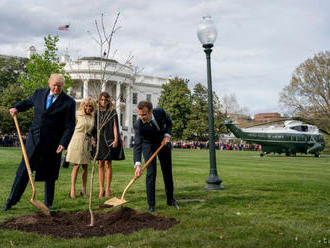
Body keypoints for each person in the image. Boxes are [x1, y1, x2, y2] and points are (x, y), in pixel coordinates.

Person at [2, 74, 76, 211]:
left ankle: (48, 204)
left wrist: (63, 142)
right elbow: (27, 102)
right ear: (49, 83)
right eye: (54, 85)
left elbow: (70, 125)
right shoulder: (39, 93)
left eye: (59, 86)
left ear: (63, 86)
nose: (56, 88)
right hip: (34, 139)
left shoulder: (69, 102)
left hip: (53, 143)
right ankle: (11, 200)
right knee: (23, 170)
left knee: (50, 174)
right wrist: (16, 107)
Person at [134, 100, 178, 213]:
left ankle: (170, 200)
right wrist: (138, 165)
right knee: (151, 173)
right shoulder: (138, 124)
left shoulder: (160, 112)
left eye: (144, 114)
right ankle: (151, 205)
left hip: (163, 143)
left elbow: (169, 122)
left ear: (151, 112)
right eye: (139, 114)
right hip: (148, 145)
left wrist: (167, 135)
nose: (141, 117)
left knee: (167, 171)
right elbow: (137, 145)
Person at [93, 92, 124, 198]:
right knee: (100, 163)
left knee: (108, 164)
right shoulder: (96, 112)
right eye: (101, 99)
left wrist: (116, 139)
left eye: (105, 100)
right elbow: (93, 127)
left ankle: (108, 189)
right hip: (99, 139)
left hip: (109, 138)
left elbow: (115, 126)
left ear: (108, 100)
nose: (103, 102)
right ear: (99, 100)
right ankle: (101, 189)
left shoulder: (112, 111)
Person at [66, 97, 96, 199]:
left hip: (87, 142)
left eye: (90, 106)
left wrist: (92, 139)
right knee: (77, 165)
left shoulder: (92, 117)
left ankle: (84, 190)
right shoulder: (77, 114)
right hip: (77, 140)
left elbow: (92, 130)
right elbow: (70, 127)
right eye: (86, 106)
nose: (88, 108)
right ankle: (72, 189)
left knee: (85, 166)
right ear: (83, 105)